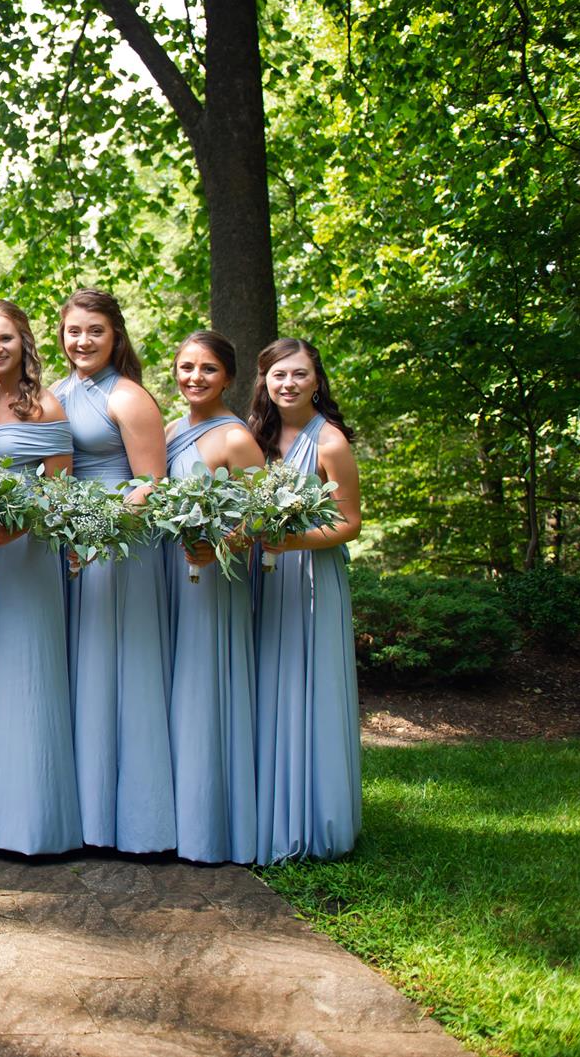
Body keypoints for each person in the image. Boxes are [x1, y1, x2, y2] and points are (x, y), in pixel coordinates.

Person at [54, 287, 173, 855]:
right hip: (66, 541)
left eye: (95, 331)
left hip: (116, 546)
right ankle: (78, 809)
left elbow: (152, 483)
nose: (83, 341)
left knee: (113, 671)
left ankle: (126, 820)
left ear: (115, 336)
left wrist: (97, 532)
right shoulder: (56, 393)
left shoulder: (128, 397)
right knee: (77, 669)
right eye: (74, 331)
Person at [0, 301, 79, 857]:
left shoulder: (46, 405)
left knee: (27, 674)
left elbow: (61, 494)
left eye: (4, 338)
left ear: (23, 342)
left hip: (30, 555)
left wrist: (19, 528)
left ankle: (31, 824)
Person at [247, 337, 364, 863]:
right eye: (278, 375)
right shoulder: (256, 436)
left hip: (310, 576)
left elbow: (349, 523)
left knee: (304, 686)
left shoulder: (330, 442)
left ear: (317, 380)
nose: (288, 384)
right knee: (264, 683)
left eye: (299, 374)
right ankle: (261, 811)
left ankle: (312, 821)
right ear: (265, 382)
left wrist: (290, 541)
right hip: (263, 574)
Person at [163, 330, 263, 865]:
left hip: (214, 577)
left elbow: (263, 516)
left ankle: (211, 828)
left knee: (205, 691)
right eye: (186, 367)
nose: (194, 377)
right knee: (175, 687)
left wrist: (221, 546)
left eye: (207, 369)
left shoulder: (236, 438)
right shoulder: (170, 429)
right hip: (171, 574)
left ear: (228, 377)